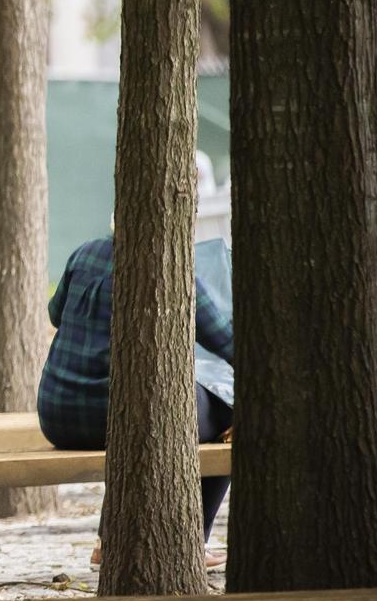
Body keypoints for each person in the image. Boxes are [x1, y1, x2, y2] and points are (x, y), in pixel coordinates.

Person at [36, 233, 237, 561]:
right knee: (226, 411)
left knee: (134, 414)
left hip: (56, 416)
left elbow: (55, 314)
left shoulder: (82, 253)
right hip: (118, 419)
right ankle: (193, 544)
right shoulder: (173, 267)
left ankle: (108, 541)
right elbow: (227, 343)